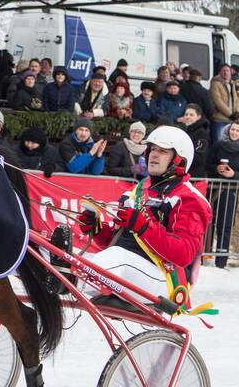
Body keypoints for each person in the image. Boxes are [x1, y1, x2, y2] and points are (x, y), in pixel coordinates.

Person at [75, 125, 212, 302]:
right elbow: (118, 242)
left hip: (167, 281)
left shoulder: (188, 199)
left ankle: (72, 280)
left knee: (116, 258)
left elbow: (183, 254)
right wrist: (97, 229)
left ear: (179, 159)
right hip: (133, 271)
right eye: (152, 149)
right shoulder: (133, 192)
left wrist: (144, 227)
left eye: (163, 151)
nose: (154, 154)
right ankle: (63, 273)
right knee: (98, 255)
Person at [206, 122, 239, 268]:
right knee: (207, 223)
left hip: (230, 191)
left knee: (224, 225)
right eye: (232, 129)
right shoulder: (218, 146)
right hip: (213, 189)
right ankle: (203, 257)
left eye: (238, 130)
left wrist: (233, 174)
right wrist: (216, 168)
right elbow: (207, 164)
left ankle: (221, 261)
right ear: (228, 130)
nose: (234, 132)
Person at [177, 103, 210, 178]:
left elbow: (200, 157)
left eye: (191, 115)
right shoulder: (184, 131)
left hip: (194, 176)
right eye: (186, 114)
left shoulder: (202, 133)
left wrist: (180, 158)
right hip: (183, 173)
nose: (188, 117)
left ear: (198, 117)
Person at [209, 64, 238, 142]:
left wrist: (238, 112)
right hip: (220, 119)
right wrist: (230, 114)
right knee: (218, 143)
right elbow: (217, 101)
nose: (226, 72)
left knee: (228, 144)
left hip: (231, 120)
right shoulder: (215, 83)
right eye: (223, 70)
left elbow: (236, 99)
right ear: (220, 72)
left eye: (227, 70)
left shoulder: (232, 83)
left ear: (230, 72)